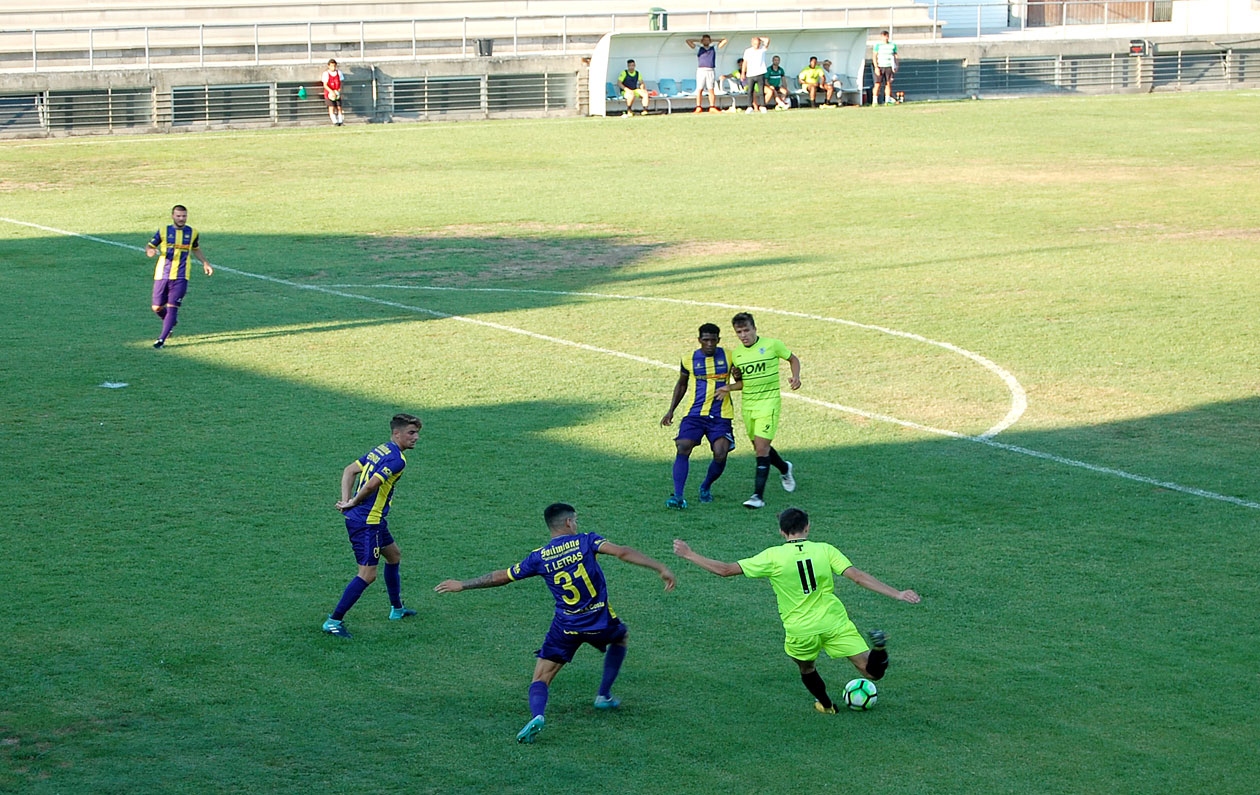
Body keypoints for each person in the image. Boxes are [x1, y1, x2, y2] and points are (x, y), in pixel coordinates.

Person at [435, 503, 676, 744]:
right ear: (569, 522)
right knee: (620, 637)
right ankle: (603, 695)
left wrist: (463, 584)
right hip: (599, 621)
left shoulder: (539, 557)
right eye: (576, 520)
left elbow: (503, 576)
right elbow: (622, 552)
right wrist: (660, 567)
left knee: (541, 678)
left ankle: (537, 716)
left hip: (566, 627)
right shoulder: (586, 541)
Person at [673, 507, 920, 714]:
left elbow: (726, 570)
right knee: (872, 673)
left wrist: (690, 554)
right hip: (834, 622)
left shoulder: (773, 556)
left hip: (801, 629)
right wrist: (897, 593)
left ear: (782, 532)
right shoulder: (825, 550)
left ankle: (827, 706)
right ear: (807, 527)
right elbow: (857, 576)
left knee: (807, 668)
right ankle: (879, 649)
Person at [321, 413, 422, 638]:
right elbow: (370, 486)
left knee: (394, 556)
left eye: (417, 433)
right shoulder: (397, 460)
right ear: (397, 433)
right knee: (367, 574)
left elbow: (349, 470)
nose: (416, 437)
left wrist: (346, 501)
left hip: (372, 519)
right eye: (411, 433)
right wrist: (352, 502)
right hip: (368, 522)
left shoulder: (382, 449)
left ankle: (397, 609)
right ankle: (333, 621)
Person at [714, 312, 800, 509]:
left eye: (746, 330)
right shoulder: (737, 355)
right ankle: (784, 468)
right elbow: (743, 382)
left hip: (769, 404)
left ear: (754, 329)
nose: (743, 335)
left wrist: (796, 376)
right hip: (749, 406)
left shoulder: (772, 345)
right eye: (739, 332)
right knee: (760, 447)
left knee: (761, 449)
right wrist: (729, 387)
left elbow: (793, 359)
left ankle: (757, 497)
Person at [660, 323, 736, 509]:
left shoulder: (730, 357)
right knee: (683, 446)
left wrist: (734, 381)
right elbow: (682, 384)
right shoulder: (689, 359)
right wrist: (671, 410)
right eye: (706, 340)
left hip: (721, 414)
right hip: (695, 414)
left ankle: (706, 486)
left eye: (713, 340)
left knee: (721, 453)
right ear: (699, 340)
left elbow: (741, 381)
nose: (709, 344)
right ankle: (678, 496)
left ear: (718, 340)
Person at [145, 204, 212, 349]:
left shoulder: (192, 232)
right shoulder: (164, 231)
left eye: (184, 216)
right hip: (162, 274)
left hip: (181, 276)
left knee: (172, 307)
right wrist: (150, 251)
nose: (181, 219)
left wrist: (205, 263)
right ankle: (170, 321)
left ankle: (161, 340)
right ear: (172, 216)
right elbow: (150, 246)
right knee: (156, 307)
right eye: (178, 216)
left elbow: (195, 248)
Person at [685, 34, 727, 113]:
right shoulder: (699, 48)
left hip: (710, 70)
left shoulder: (713, 48)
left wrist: (713, 40)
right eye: (704, 40)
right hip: (701, 70)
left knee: (711, 89)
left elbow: (724, 41)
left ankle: (712, 106)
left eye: (707, 40)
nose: (706, 42)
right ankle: (698, 107)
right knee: (699, 89)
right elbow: (688, 41)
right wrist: (699, 41)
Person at [741, 36, 771, 113]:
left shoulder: (762, 50)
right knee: (750, 91)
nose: (756, 45)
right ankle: (749, 106)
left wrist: (759, 38)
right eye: (755, 44)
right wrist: (743, 73)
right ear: (752, 43)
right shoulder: (748, 51)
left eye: (757, 44)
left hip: (760, 73)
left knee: (761, 91)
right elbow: (745, 62)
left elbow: (767, 40)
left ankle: (763, 106)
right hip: (750, 74)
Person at [871, 30, 899, 105]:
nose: (886, 38)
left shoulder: (892, 45)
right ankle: (874, 101)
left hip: (889, 66)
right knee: (877, 84)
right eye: (884, 36)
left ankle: (887, 100)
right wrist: (876, 67)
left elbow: (895, 55)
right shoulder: (878, 45)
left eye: (886, 36)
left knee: (888, 83)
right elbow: (874, 56)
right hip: (880, 66)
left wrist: (896, 65)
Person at [321, 59, 344, 125]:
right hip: (329, 94)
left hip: (337, 93)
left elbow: (341, 82)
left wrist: (339, 90)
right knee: (331, 107)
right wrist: (331, 92)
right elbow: (325, 85)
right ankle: (334, 121)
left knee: (339, 107)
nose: (333, 67)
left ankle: (340, 121)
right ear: (328, 66)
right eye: (331, 66)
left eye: (334, 66)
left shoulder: (339, 73)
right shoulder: (326, 74)